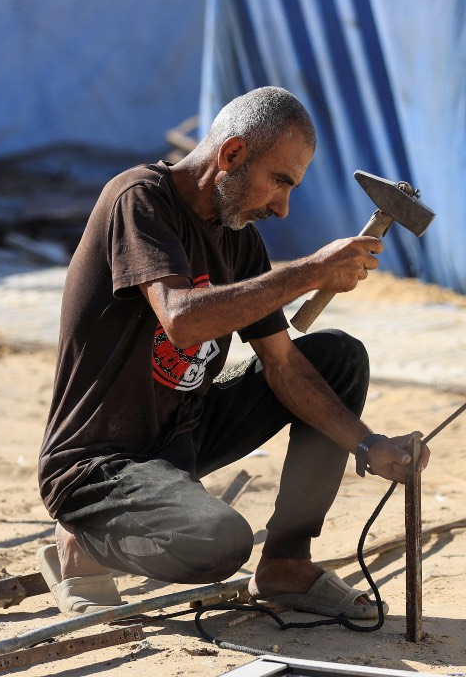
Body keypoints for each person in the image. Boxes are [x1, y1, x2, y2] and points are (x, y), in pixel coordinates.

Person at [36, 86, 429, 619]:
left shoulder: (238, 238)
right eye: (280, 182)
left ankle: (288, 564)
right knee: (220, 543)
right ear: (233, 155)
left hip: (181, 436)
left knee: (335, 357)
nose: (283, 208)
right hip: (101, 461)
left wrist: (369, 446)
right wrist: (311, 270)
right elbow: (180, 319)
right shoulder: (140, 199)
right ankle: (82, 541)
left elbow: (284, 366)